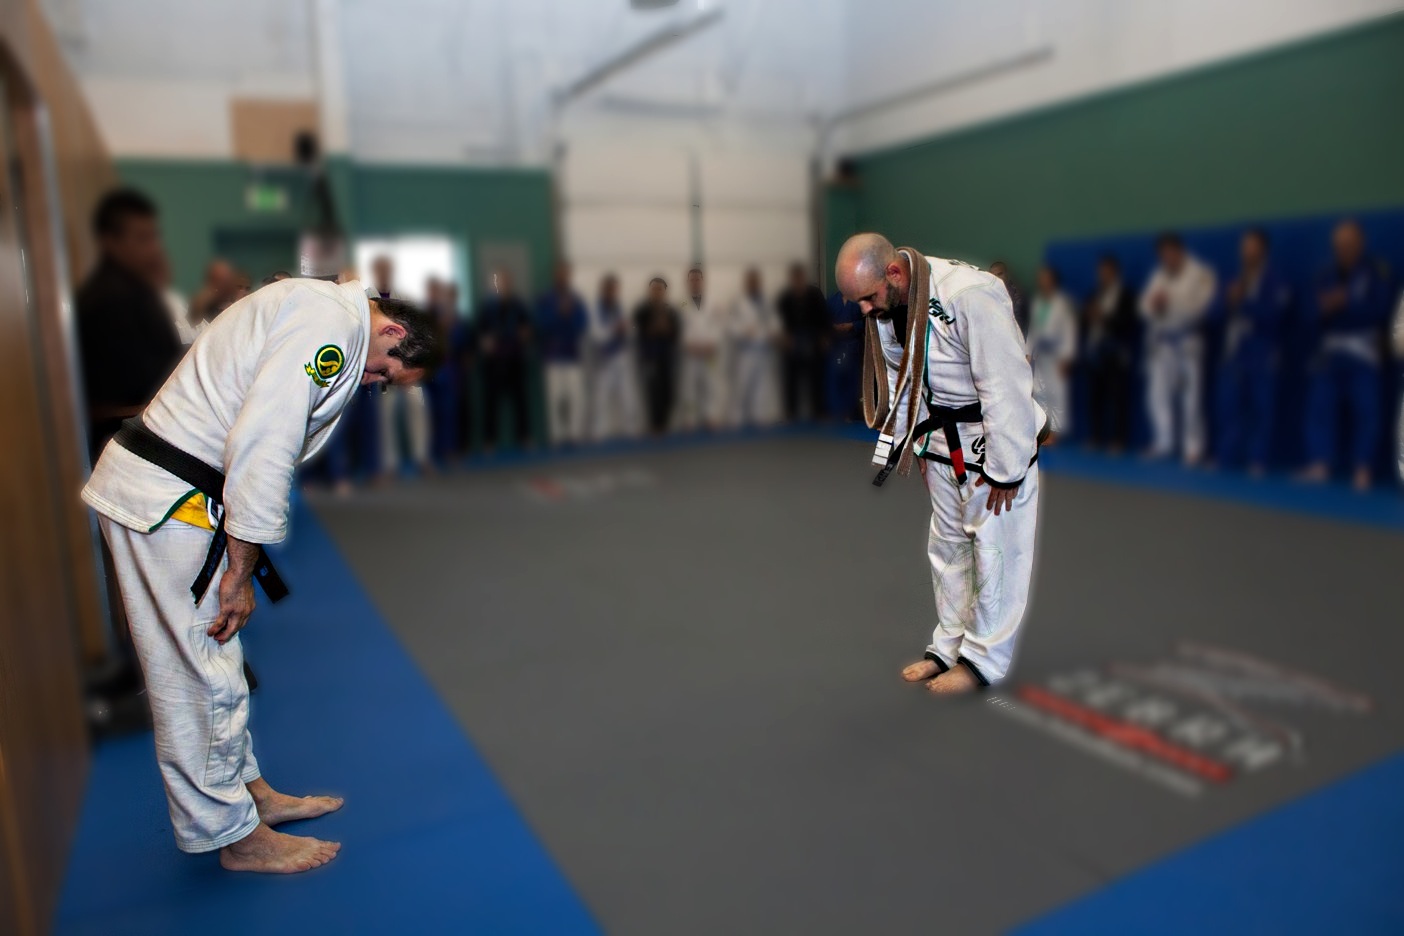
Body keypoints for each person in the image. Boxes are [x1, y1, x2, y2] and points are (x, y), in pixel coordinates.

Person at [81, 278, 442, 873]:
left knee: (216, 656)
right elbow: (264, 444)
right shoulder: (330, 328)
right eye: (384, 377)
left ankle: (249, 795)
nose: (372, 385)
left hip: (171, 492)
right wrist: (241, 571)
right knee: (196, 670)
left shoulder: (322, 312)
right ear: (394, 332)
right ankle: (234, 837)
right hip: (169, 498)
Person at [835, 233, 1044, 695]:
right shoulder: (888, 305)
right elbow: (899, 374)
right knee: (947, 545)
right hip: (940, 438)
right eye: (858, 303)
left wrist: (1007, 467)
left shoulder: (969, 294)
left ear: (893, 273)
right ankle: (947, 645)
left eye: (867, 299)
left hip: (990, 437)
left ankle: (983, 660)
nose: (865, 311)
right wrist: (909, 444)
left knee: (995, 549)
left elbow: (1006, 382)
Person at [76, 188, 184, 458]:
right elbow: (139, 388)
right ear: (110, 241)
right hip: (133, 446)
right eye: (142, 238)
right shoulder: (111, 300)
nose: (154, 248)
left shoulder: (132, 291)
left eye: (153, 236)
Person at [1300, 220, 1394, 491]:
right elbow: (1309, 314)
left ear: (1361, 244)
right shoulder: (1324, 275)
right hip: (1331, 351)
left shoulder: (1378, 272)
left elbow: (1382, 308)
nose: (1344, 249)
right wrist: (1324, 309)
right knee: (1320, 407)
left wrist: (1347, 303)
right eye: (1339, 245)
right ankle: (1320, 462)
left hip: (1364, 349)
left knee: (1367, 410)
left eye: (1349, 244)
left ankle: (1363, 467)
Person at [1212, 228, 1291, 475]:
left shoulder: (1276, 281)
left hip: (1262, 353)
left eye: (1252, 247)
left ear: (1263, 251)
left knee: (1261, 409)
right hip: (1234, 352)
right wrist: (1228, 301)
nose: (1247, 252)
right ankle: (1226, 456)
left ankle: (1258, 459)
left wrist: (1244, 303)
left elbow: (1276, 316)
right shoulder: (1231, 281)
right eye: (1244, 247)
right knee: (1228, 408)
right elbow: (1213, 314)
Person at [1139, 232, 1217, 464]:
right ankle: (1164, 442)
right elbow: (1144, 307)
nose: (1168, 259)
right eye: (1163, 255)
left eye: (1171, 254)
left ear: (1180, 252)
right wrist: (1155, 306)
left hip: (1187, 342)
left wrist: (1171, 302)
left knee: (1191, 397)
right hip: (1163, 343)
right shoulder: (1158, 276)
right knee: (1157, 395)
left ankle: (1193, 447)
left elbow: (1204, 307)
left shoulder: (1200, 274)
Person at [368, 257, 431, 479]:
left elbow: (416, 332)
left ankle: (422, 458)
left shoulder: (405, 298)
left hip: (406, 367)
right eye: (380, 270)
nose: (384, 275)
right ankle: (389, 465)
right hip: (382, 370)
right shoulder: (368, 298)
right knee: (385, 416)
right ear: (375, 272)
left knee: (418, 407)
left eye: (388, 270)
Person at [1083, 254, 1137, 452]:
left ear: (1115, 272)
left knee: (1117, 399)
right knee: (1095, 398)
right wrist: (1087, 315)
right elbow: (1084, 319)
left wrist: (1104, 317)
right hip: (1096, 352)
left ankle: (1118, 440)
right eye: (1101, 272)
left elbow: (1129, 322)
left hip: (1115, 352)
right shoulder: (1095, 294)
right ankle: (1096, 437)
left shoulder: (1126, 295)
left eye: (1107, 272)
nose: (1103, 275)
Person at [477, 269, 535, 452]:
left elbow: (528, 328)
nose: (504, 285)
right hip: (494, 361)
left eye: (507, 282)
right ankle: (489, 441)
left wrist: (525, 333)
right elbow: (479, 332)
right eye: (500, 282)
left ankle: (524, 437)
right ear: (496, 285)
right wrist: (484, 342)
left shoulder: (518, 305)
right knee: (491, 402)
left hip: (514, 358)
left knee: (520, 401)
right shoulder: (487, 307)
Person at [536, 262, 590, 447]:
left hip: (572, 354)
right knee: (555, 398)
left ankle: (574, 433)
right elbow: (541, 325)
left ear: (570, 276)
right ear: (554, 275)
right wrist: (559, 313)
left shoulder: (576, 299)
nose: (563, 277)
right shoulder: (545, 298)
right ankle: (557, 435)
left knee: (575, 396)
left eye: (566, 274)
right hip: (552, 354)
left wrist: (569, 315)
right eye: (560, 274)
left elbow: (582, 325)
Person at [1026, 265, 1078, 437]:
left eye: (1046, 278)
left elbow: (1070, 332)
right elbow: (1033, 330)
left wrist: (1066, 358)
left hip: (1057, 355)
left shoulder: (1063, 303)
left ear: (1053, 281)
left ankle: (1055, 432)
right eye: (1041, 279)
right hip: (1040, 354)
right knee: (1039, 391)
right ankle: (1043, 430)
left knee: (1056, 393)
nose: (1042, 282)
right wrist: (1028, 352)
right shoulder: (1038, 302)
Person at [777, 263, 830, 421]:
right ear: (791, 279)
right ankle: (790, 412)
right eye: (795, 278)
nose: (797, 280)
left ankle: (818, 411)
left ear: (803, 278)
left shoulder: (815, 294)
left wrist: (824, 336)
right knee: (791, 377)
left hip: (812, 338)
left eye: (799, 277)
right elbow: (779, 320)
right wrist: (784, 337)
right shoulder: (785, 296)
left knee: (816, 376)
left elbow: (824, 317)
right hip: (792, 340)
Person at [729, 267, 781, 428]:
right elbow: (731, 325)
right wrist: (743, 332)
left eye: (755, 280)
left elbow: (774, 321)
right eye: (750, 281)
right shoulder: (738, 302)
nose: (753, 283)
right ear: (746, 283)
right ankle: (736, 418)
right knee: (743, 385)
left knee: (762, 385)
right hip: (746, 350)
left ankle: (760, 416)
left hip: (764, 349)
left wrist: (774, 332)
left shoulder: (766, 301)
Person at [678, 267, 728, 432]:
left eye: (697, 279)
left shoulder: (714, 303)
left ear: (703, 281)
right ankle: (690, 419)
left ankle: (711, 416)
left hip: (710, 351)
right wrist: (688, 344)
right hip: (691, 352)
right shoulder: (682, 302)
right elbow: (680, 327)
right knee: (689, 386)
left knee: (711, 384)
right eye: (692, 280)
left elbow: (719, 325)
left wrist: (712, 343)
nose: (695, 283)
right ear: (688, 283)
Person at [589, 272, 635, 441]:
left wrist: (627, 329)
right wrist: (614, 329)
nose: (612, 292)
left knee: (627, 395)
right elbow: (596, 335)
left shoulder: (620, 306)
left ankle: (630, 429)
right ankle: (598, 432)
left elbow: (630, 329)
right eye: (609, 289)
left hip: (621, 356)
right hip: (604, 358)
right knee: (601, 397)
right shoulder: (595, 309)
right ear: (603, 290)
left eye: (614, 289)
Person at [634, 276, 681, 436]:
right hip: (650, 357)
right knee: (653, 392)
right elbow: (638, 331)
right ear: (650, 291)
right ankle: (654, 425)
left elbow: (676, 333)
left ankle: (664, 424)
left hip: (667, 357)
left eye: (660, 289)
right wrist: (655, 327)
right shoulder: (642, 310)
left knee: (668, 391)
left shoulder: (672, 311)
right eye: (654, 289)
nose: (657, 292)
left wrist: (665, 329)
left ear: (665, 292)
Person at [827, 288, 864, 422]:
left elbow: (866, 322)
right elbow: (824, 322)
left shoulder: (859, 300)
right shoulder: (831, 300)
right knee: (834, 380)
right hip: (835, 346)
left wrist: (852, 325)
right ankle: (836, 412)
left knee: (852, 381)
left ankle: (849, 413)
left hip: (853, 345)